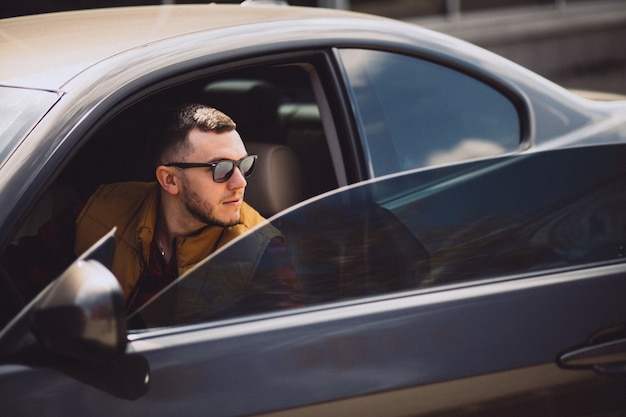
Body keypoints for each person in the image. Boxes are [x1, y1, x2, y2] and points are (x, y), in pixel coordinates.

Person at [3, 104, 298, 324]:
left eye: (244, 165)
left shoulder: (260, 248)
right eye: (221, 169)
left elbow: (274, 353)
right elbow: (18, 275)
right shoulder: (104, 208)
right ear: (169, 180)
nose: (241, 182)